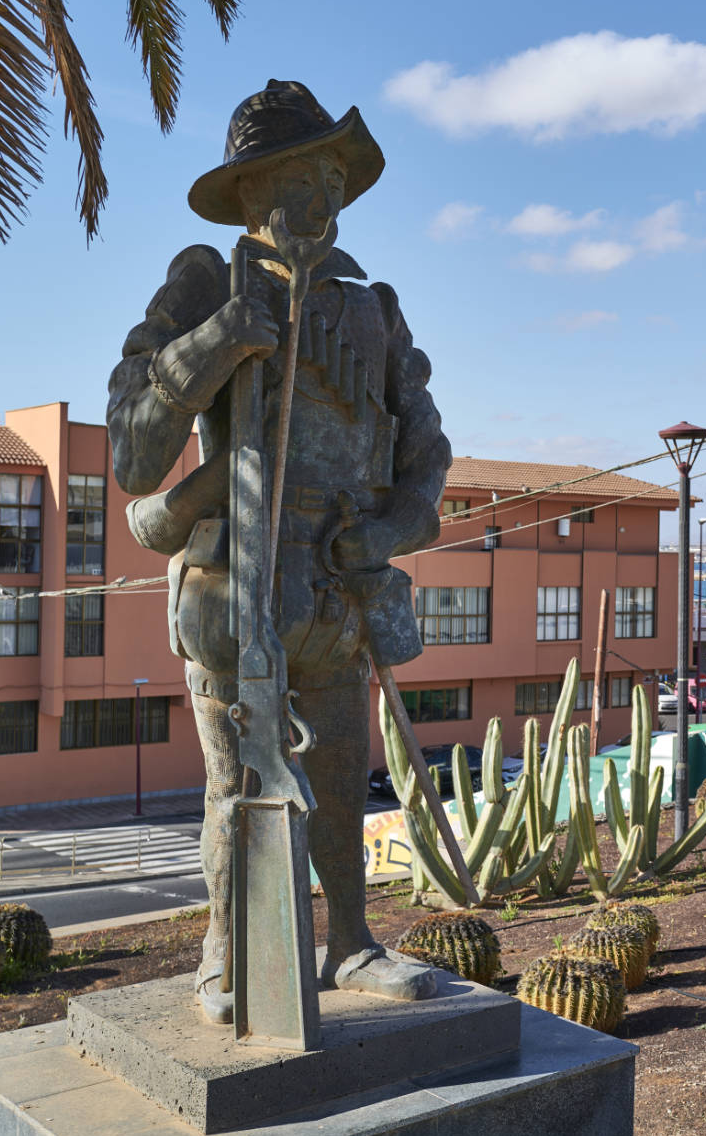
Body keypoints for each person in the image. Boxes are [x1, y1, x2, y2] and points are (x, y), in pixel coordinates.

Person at [107, 81, 450, 1024]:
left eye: (336, 175)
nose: (325, 195)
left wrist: (384, 532)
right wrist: (215, 344)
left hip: (337, 593)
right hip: (232, 588)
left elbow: (428, 454)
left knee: (340, 780)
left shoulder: (374, 310)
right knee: (236, 786)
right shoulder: (202, 285)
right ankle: (228, 952)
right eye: (305, 174)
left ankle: (351, 941)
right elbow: (132, 452)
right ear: (254, 192)